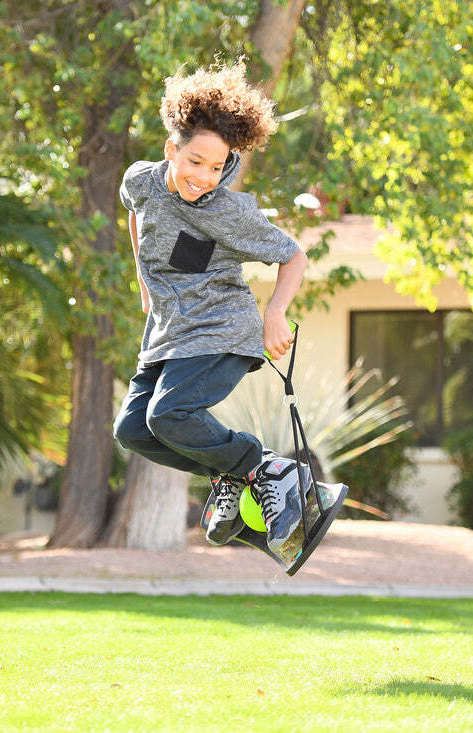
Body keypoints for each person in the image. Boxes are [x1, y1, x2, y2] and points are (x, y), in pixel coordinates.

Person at [112, 60, 310, 555]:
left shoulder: (227, 211)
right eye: (195, 162)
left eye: (217, 167)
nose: (204, 177)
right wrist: (143, 280)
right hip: (167, 334)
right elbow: (135, 215)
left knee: (171, 414)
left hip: (222, 329)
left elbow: (293, 256)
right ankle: (236, 473)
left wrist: (274, 314)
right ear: (169, 151)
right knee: (134, 430)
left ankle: (265, 468)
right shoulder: (141, 181)